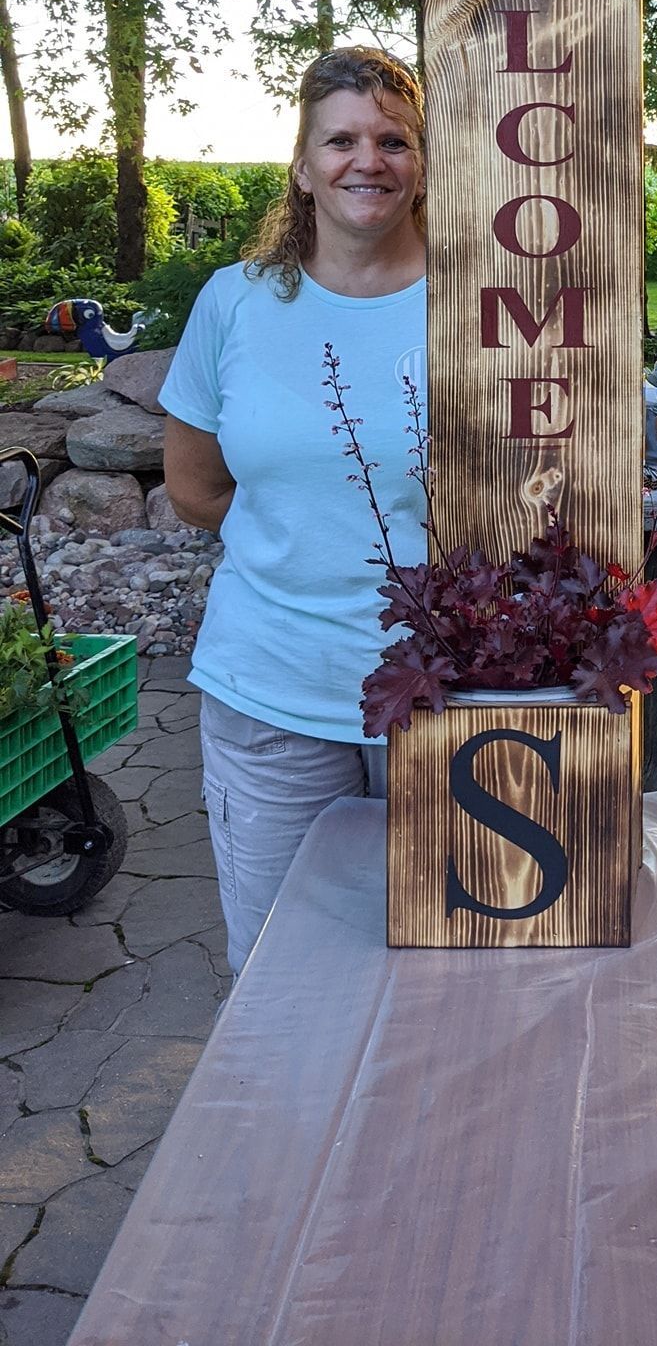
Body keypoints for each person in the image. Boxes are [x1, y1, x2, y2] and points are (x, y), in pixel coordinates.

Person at [161, 48, 428, 974]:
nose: (370, 160)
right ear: (303, 166)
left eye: (394, 139)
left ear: (424, 162)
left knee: (447, 967)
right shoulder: (236, 303)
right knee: (282, 972)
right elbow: (196, 488)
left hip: (443, 698)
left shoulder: (482, 305)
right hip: (271, 692)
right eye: (342, 139)